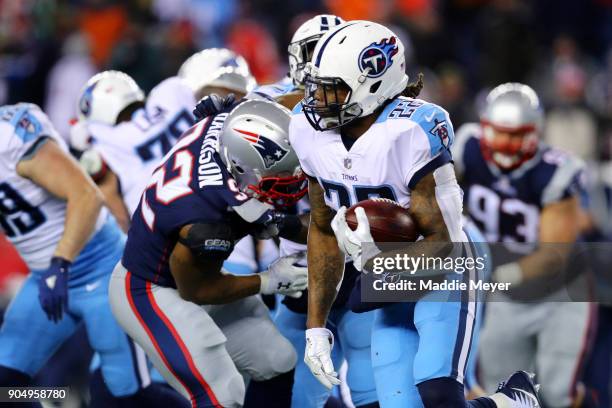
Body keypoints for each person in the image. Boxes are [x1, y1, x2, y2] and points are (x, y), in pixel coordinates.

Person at [289, 20, 543, 407]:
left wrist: (373, 259)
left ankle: (514, 400)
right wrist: (315, 328)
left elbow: (442, 242)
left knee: (438, 394)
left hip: (446, 268)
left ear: (372, 82)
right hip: (388, 279)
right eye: (318, 88)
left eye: (333, 88)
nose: (319, 100)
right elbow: (323, 230)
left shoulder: (412, 129)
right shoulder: (310, 133)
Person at [108, 99, 311, 408]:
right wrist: (268, 281)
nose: (292, 186)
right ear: (243, 170)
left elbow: (256, 111)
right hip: (150, 290)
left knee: (277, 360)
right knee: (220, 393)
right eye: (281, 180)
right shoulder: (205, 224)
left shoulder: (225, 125)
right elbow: (197, 290)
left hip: (188, 270)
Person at [0, 103, 184, 407]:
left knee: (120, 394)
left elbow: (86, 196)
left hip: (100, 271)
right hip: (46, 278)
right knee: (6, 385)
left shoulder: (10, 135)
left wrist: (60, 264)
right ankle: (58, 398)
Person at [453, 83, 595, 408]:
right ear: (484, 126)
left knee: (559, 394)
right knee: (504, 394)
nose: (506, 143)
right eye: (499, 132)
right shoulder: (466, 147)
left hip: (560, 293)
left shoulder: (556, 171)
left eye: (518, 134)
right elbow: (439, 202)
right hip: (506, 296)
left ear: (536, 132)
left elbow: (553, 256)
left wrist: (492, 274)